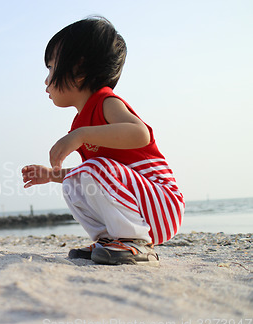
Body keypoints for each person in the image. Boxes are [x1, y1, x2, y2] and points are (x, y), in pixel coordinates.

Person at [21, 17, 184, 266]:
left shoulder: (106, 102)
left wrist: (81, 135)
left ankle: (135, 242)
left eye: (52, 68)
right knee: (73, 183)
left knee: (88, 171)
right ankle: (109, 240)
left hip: (161, 202)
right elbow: (94, 175)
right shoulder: (80, 124)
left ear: (79, 69)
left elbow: (141, 134)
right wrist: (51, 175)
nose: (46, 80)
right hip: (140, 204)